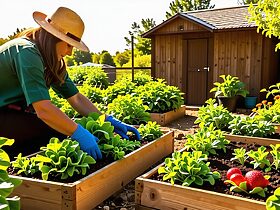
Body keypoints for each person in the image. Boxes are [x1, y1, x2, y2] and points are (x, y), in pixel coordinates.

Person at [0, 7, 141, 160]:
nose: (70, 53)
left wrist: (105, 119)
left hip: (12, 112)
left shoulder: (51, 60)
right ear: (53, 37)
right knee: (55, 134)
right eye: (68, 45)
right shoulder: (26, 52)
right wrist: (77, 133)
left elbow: (76, 98)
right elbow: (44, 110)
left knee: (64, 128)